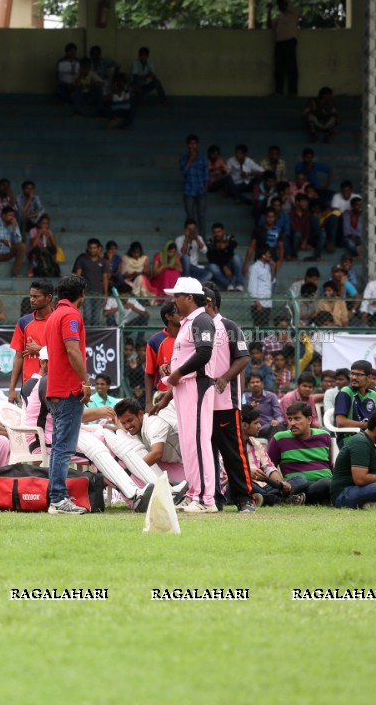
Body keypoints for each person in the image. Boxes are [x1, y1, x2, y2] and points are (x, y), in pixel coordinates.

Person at [162, 277, 218, 513]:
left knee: (198, 441)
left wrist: (178, 372)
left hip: (197, 384)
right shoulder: (187, 322)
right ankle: (194, 494)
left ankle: (206, 499)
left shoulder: (202, 319)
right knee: (188, 444)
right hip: (185, 386)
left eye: (177, 296)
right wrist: (174, 370)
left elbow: (204, 353)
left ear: (189, 298)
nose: (173, 300)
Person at [40, 274, 91, 514]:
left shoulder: (53, 315)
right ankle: (58, 499)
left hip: (56, 388)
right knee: (63, 447)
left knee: (60, 446)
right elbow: (72, 350)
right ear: (81, 293)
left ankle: (56, 497)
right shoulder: (70, 315)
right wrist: (86, 381)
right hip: (68, 389)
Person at [266, 401, 334, 505]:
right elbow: (269, 468)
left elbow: (329, 464)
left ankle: (307, 499)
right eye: (290, 419)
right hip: (300, 486)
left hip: (326, 480)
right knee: (326, 484)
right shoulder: (280, 439)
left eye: (297, 419)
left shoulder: (324, 436)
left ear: (309, 420)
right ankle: (301, 499)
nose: (292, 423)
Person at [334, 360, 376, 438]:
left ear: (369, 377)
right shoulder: (345, 392)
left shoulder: (374, 395)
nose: (353, 377)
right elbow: (341, 422)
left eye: (359, 375)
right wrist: (368, 426)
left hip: (370, 437)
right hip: (350, 437)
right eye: (352, 374)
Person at [180, 134, 210, 237]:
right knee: (190, 216)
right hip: (189, 191)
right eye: (191, 143)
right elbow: (183, 172)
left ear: (197, 145)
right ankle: (190, 237)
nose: (193, 146)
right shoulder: (183, 158)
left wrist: (206, 186)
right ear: (187, 145)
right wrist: (190, 160)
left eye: (194, 143)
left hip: (201, 190)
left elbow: (206, 173)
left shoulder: (202, 158)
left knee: (201, 215)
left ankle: (202, 238)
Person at [273, 0, 299, 96]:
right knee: (279, 68)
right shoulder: (279, 17)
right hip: (280, 42)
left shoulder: (293, 13)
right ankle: (278, 91)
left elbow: (293, 8)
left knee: (291, 68)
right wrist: (269, 11)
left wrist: (286, 2)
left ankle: (292, 91)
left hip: (290, 42)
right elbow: (270, 25)